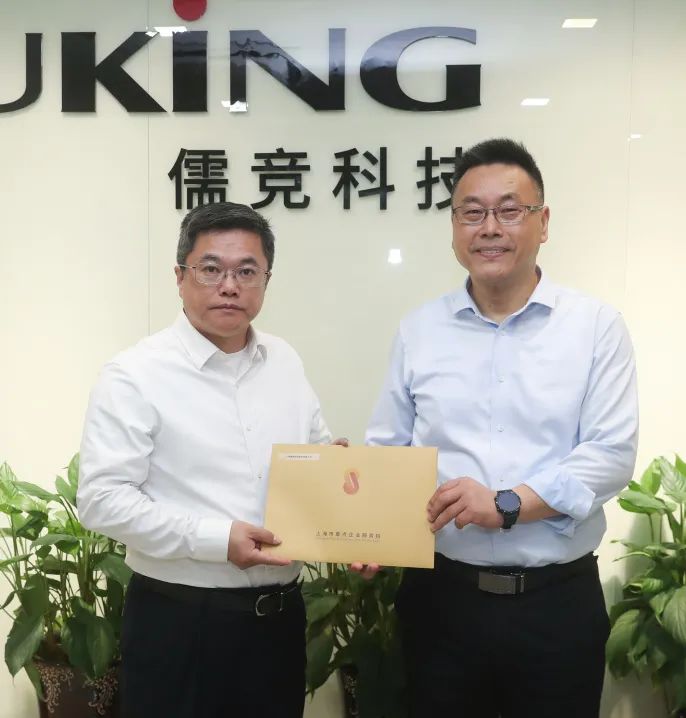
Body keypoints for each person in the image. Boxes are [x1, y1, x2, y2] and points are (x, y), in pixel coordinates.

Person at [365, 138, 638, 718]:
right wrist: (364, 526)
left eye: (509, 210)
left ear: (544, 222)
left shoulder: (595, 327)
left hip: (556, 607)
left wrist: (507, 504)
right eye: (472, 212)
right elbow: (387, 450)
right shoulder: (419, 330)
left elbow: (610, 455)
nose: (489, 227)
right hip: (442, 603)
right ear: (454, 228)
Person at [78, 202, 334, 718]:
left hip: (279, 623)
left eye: (247, 271)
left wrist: (350, 501)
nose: (230, 286)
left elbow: (318, 457)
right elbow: (101, 501)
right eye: (211, 269)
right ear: (180, 277)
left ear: (266, 280)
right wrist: (217, 539)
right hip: (180, 624)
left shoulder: (284, 361)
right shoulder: (134, 374)